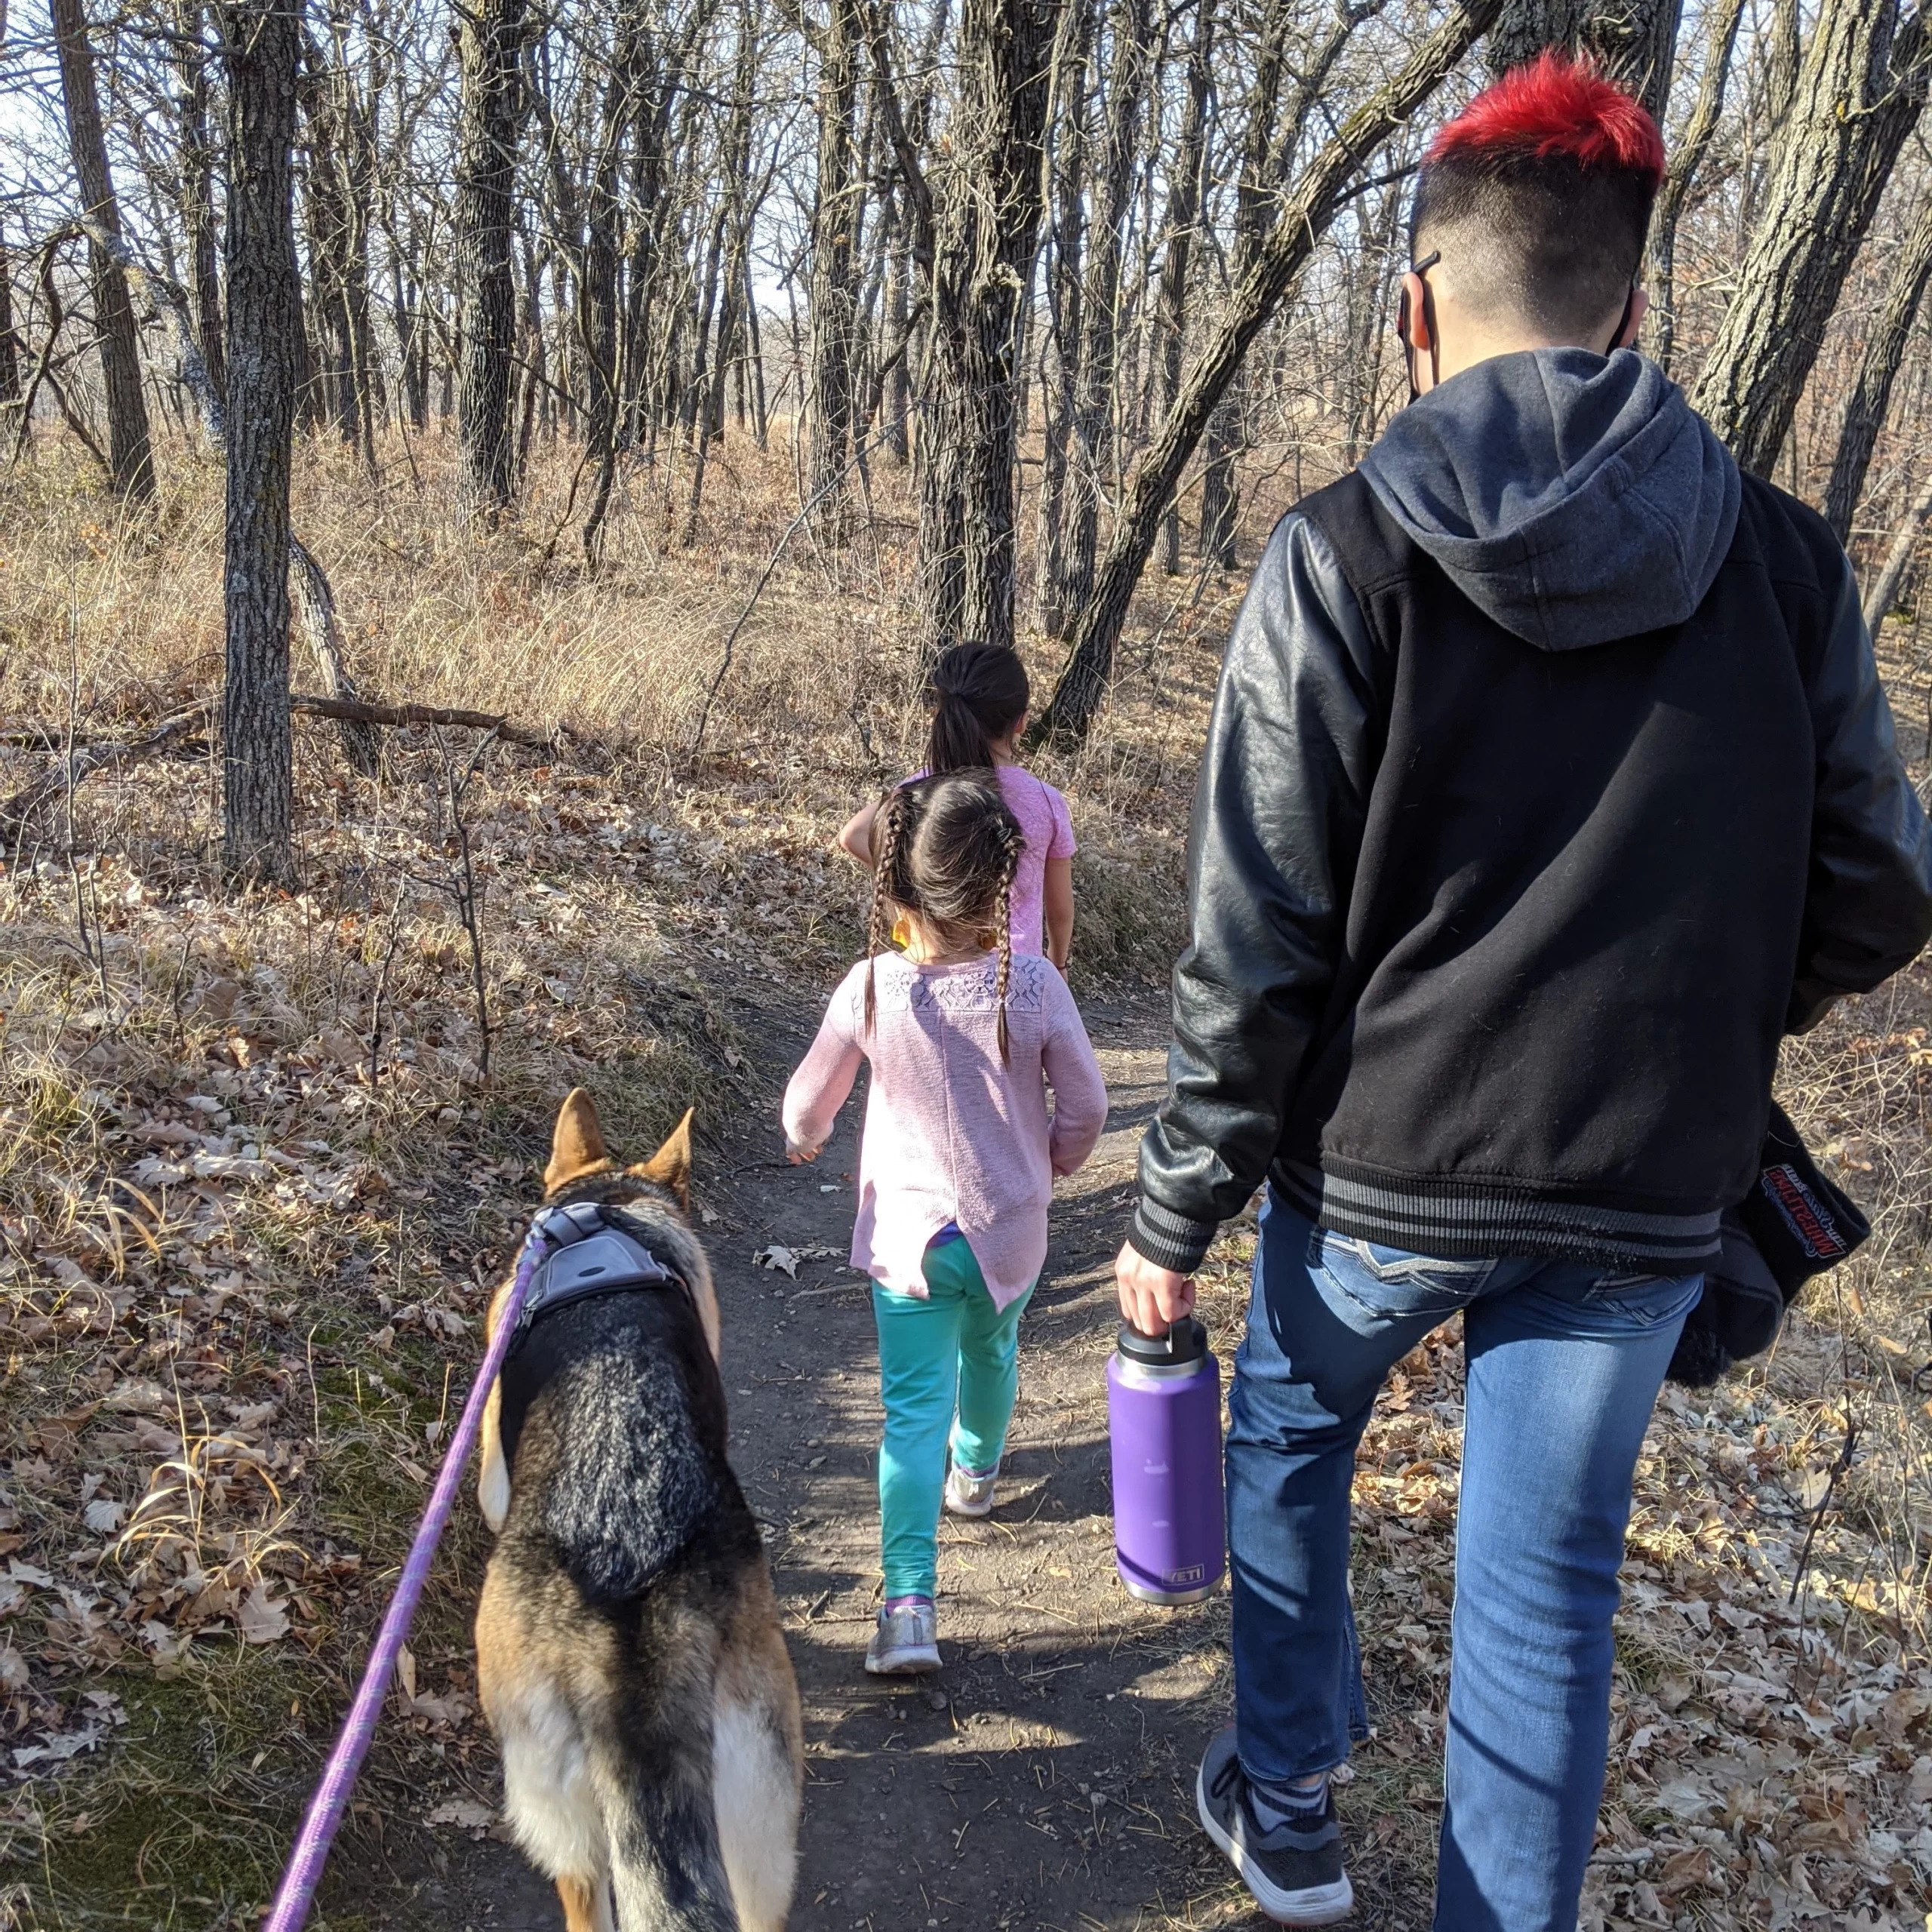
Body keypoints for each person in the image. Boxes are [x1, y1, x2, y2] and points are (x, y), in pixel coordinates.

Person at [1114, 53, 1932, 1930]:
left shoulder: (1335, 555)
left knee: (1290, 1436)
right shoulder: (1787, 563)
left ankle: (1293, 1805)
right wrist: (1710, 1005)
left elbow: (1257, 935)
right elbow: (1882, 882)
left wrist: (1179, 1195)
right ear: (1630, 308)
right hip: (1643, 1185)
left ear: (1413, 309)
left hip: (1376, 1171)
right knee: (1542, 1597)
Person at [787, 771, 1108, 1674]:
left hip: (909, 1247)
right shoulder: (1036, 984)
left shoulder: (871, 988)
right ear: (1005, 887)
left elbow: (806, 1108)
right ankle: (977, 1472)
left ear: (893, 888)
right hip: (1010, 1233)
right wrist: (1053, 1162)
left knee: (907, 1415)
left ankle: (906, 1607)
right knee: (994, 1352)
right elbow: (1085, 1109)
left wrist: (806, 1140)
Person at [837, 641, 1077, 970]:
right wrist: (1058, 964)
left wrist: (911, 882)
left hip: (932, 964)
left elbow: (853, 834)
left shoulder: (920, 790)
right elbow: (1060, 909)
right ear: (1021, 721)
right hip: (1017, 973)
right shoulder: (1047, 801)